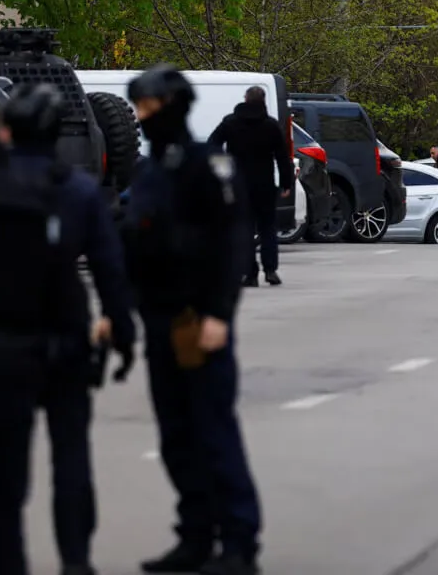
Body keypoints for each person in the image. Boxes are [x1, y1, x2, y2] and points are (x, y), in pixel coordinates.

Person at [122, 65, 263, 575]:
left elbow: (229, 243)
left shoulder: (208, 165)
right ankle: (196, 537)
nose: (141, 118)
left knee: (212, 432)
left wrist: (219, 314)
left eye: (148, 109)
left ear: (174, 108)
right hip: (160, 319)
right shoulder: (149, 171)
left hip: (197, 319)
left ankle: (239, 543)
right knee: (176, 436)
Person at [0, 92, 89, 575]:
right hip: (15, 376)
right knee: (2, 515)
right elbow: (67, 296)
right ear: (2, 135)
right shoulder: (35, 201)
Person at [4, 84, 138, 575]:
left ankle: (5, 554)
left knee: (1, 463)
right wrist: (122, 334)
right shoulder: (77, 190)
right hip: (63, 338)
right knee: (71, 460)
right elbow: (109, 270)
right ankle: (76, 559)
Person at [208, 87, 293, 288]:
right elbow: (283, 156)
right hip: (264, 185)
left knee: (243, 229)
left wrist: (221, 170)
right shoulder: (271, 126)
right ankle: (270, 270)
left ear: (246, 99)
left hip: (238, 185)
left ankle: (250, 273)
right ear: (263, 101)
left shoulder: (231, 122)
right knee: (267, 229)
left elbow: (212, 144)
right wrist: (286, 183)